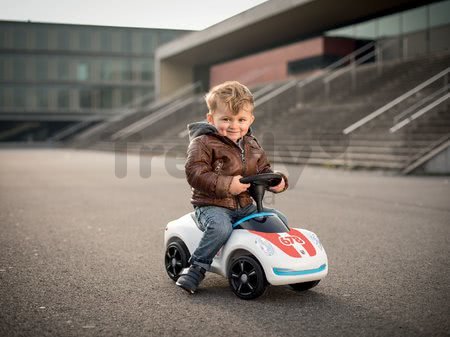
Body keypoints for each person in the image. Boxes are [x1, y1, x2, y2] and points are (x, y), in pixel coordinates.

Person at [176, 81, 289, 294]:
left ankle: (282, 263)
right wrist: (228, 185)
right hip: (212, 205)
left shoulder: (252, 143)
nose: (234, 125)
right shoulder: (203, 142)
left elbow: (264, 169)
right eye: (226, 119)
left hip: (245, 205)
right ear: (211, 118)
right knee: (221, 228)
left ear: (250, 120)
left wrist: (277, 181)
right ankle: (196, 267)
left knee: (278, 218)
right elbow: (195, 173)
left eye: (241, 119)